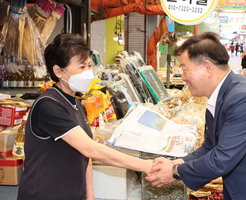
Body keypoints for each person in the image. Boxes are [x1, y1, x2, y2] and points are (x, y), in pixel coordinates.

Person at [145, 32, 246, 200]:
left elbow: (222, 158)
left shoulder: (244, 97)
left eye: (184, 69)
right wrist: (176, 163)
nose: (182, 77)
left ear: (207, 67)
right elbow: (211, 146)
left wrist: (175, 172)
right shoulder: (221, 95)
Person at [17, 33, 152, 200]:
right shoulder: (48, 105)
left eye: (89, 65)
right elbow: (90, 149)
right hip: (44, 194)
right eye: (81, 67)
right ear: (58, 71)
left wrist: (90, 195)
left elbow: (85, 152)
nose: (88, 72)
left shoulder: (75, 101)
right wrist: (146, 165)